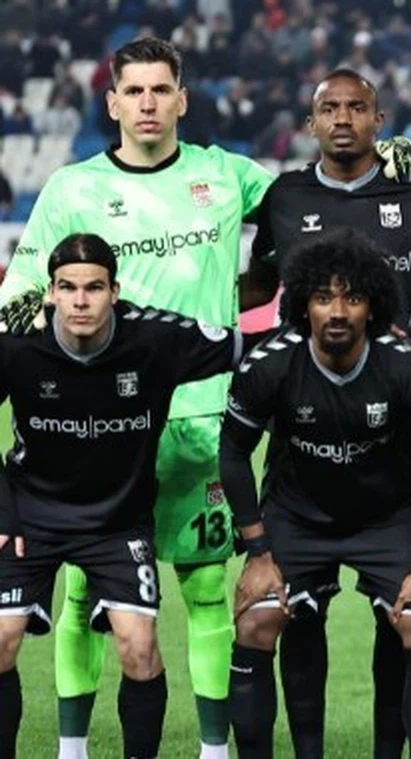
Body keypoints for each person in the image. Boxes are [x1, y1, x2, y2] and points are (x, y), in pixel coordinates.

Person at [0, 38, 411, 759]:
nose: (146, 104)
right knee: (81, 590)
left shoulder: (225, 174)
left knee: (206, 588)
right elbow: (20, 295)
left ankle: (212, 749)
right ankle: (73, 748)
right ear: (112, 103)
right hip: (101, 425)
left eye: (159, 90)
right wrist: (25, 313)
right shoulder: (70, 189)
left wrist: (381, 159)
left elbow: (314, 196)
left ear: (182, 99)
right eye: (133, 91)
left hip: (203, 419)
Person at [238, 67, 411, 759]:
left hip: (397, 428)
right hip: (305, 428)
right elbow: (257, 285)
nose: (343, 118)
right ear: (311, 122)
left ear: (378, 120)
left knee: (401, 616)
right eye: (330, 108)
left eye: (357, 107)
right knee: (299, 612)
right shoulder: (286, 196)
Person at [0, 233, 251, 759]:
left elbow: (247, 348)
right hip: (31, 515)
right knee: (0, 640)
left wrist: (339, 334)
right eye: (68, 288)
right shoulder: (19, 343)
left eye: (94, 288)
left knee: (138, 647)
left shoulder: (155, 339)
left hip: (117, 522)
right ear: (51, 292)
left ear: (115, 292)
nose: (80, 301)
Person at [221, 229, 411, 759]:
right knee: (257, 621)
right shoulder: (270, 364)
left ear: (372, 306)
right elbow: (233, 453)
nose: (337, 312)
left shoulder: (408, 368)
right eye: (322, 297)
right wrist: (258, 553)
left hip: (388, 515)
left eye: (352, 298)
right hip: (296, 515)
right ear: (302, 304)